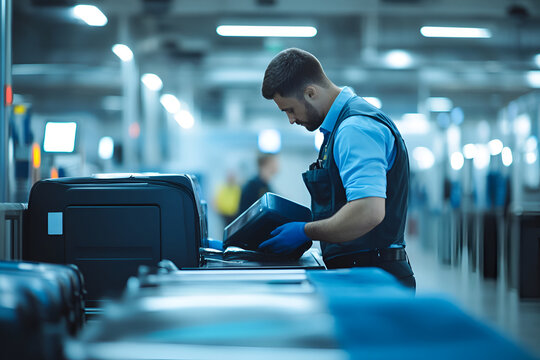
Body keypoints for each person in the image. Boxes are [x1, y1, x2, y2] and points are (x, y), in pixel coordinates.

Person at [258, 48, 415, 290]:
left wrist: (306, 231)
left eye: (290, 109)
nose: (291, 119)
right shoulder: (341, 128)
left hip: (373, 282)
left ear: (310, 93)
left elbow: (368, 212)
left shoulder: (355, 128)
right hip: (363, 274)